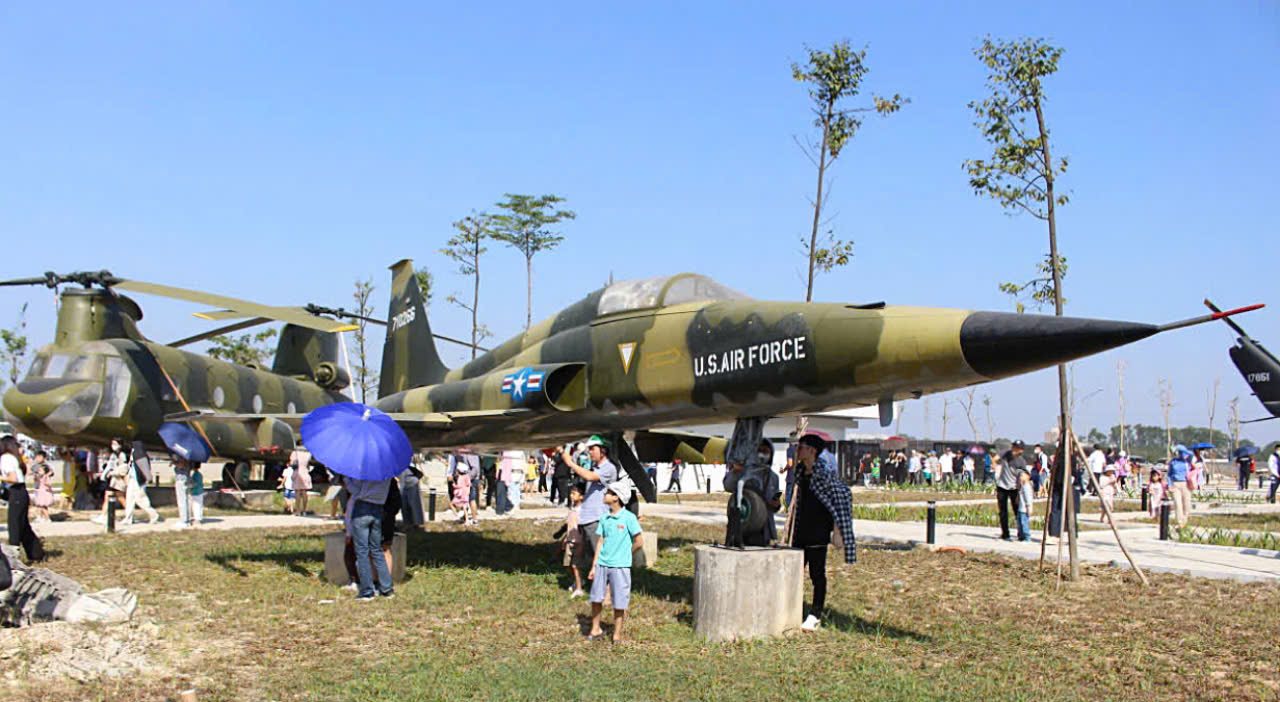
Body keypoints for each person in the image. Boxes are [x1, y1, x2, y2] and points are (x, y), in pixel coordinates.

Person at [788, 433, 856, 632]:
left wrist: (837, 530)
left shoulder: (824, 473)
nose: (797, 450)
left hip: (817, 530)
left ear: (812, 450)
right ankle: (793, 607)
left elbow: (842, 495)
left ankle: (815, 613)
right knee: (795, 571)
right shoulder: (800, 471)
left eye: (801, 447)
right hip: (800, 529)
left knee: (817, 573)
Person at [586, 482, 644, 643]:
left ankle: (616, 634)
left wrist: (626, 553)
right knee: (596, 598)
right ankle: (595, 629)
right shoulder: (604, 517)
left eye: (608, 493)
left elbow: (639, 541)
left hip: (620, 566)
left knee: (620, 600)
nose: (604, 495)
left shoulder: (629, 518)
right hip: (602, 564)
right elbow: (600, 541)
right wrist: (594, 565)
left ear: (616, 497)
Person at [561, 436, 619, 581]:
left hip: (597, 518)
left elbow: (589, 476)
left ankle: (607, 590)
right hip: (587, 519)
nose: (590, 452)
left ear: (603, 451)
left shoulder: (608, 468)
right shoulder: (596, 467)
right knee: (590, 557)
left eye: (593, 449)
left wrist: (571, 464)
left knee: (601, 557)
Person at [345, 475, 395, 600]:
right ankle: (386, 588)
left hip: (363, 507)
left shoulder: (366, 471)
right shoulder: (387, 473)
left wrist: (346, 479)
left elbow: (357, 491)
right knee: (376, 549)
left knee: (362, 551)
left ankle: (367, 590)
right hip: (378, 508)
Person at [724, 439, 782, 545]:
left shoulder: (774, 477)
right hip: (743, 527)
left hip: (764, 528)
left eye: (765, 451)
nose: (762, 454)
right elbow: (728, 486)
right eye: (759, 451)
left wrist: (776, 504)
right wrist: (735, 472)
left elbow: (775, 503)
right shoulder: (744, 472)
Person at [1, 435, 45, 562]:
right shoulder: (13, 457)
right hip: (21, 492)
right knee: (24, 526)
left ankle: (13, 556)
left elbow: (13, 478)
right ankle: (36, 554)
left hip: (16, 492)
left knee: (14, 525)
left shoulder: (6, 458)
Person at [555, 484, 585, 598]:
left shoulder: (582, 511)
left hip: (578, 542)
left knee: (575, 565)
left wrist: (582, 542)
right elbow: (569, 525)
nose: (571, 496)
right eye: (571, 493)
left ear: (581, 496)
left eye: (574, 493)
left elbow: (581, 528)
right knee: (567, 564)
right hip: (569, 540)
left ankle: (579, 588)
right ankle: (578, 581)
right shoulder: (572, 509)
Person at [120, 441, 161, 526]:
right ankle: (128, 518)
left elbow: (144, 468)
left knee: (141, 500)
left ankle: (154, 515)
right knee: (129, 500)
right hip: (132, 479)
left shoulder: (139, 454)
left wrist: (148, 478)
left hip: (138, 481)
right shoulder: (135, 454)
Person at [996, 440, 1028, 541]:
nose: (1014, 450)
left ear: (1021, 450)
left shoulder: (1021, 461)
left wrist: (1023, 481)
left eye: (1017, 448)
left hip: (1014, 488)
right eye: (1014, 447)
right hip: (1002, 486)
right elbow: (995, 458)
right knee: (1003, 512)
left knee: (1017, 511)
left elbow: (1025, 475)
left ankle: (1021, 534)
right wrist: (994, 465)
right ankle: (1005, 534)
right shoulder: (1006, 454)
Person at [1166, 445, 1194, 527]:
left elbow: (1190, 453)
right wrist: (1170, 485)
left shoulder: (1187, 461)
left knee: (1187, 504)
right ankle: (1180, 522)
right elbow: (1169, 475)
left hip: (1185, 484)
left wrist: (1179, 447)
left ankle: (1185, 521)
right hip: (1175, 484)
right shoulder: (1173, 462)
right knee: (1177, 504)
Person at [29, 451, 55, 523]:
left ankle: (45, 517)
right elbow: (31, 472)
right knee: (39, 504)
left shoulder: (46, 466)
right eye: (37, 457)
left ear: (44, 458)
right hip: (38, 487)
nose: (38, 458)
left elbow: (51, 473)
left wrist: (46, 474)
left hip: (43, 489)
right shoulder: (35, 466)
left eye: (40, 457)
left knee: (42, 504)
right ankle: (40, 516)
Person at [400, 461, 425, 528]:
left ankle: (416, 523)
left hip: (410, 478)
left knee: (414, 503)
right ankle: (408, 523)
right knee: (404, 503)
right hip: (404, 477)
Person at [172, 455, 194, 528]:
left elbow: (181, 465)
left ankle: (183, 520)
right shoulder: (189, 457)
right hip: (186, 480)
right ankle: (187, 519)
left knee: (182, 500)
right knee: (187, 500)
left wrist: (174, 462)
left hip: (181, 480)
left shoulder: (181, 456)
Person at [290, 446, 313, 516]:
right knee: (304, 492)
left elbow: (292, 463)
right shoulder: (308, 453)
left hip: (297, 473)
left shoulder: (295, 453)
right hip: (305, 473)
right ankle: (304, 510)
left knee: (297, 492)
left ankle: (298, 511)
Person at [1016, 470, 1034, 542]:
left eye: (1022, 476)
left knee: (1024, 523)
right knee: (1019, 523)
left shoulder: (1027, 487)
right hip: (1020, 508)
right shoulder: (1022, 486)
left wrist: (1028, 507)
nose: (1020, 477)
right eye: (1020, 476)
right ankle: (1021, 536)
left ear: (1028, 477)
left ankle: (1027, 537)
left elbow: (1028, 498)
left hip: (1024, 509)